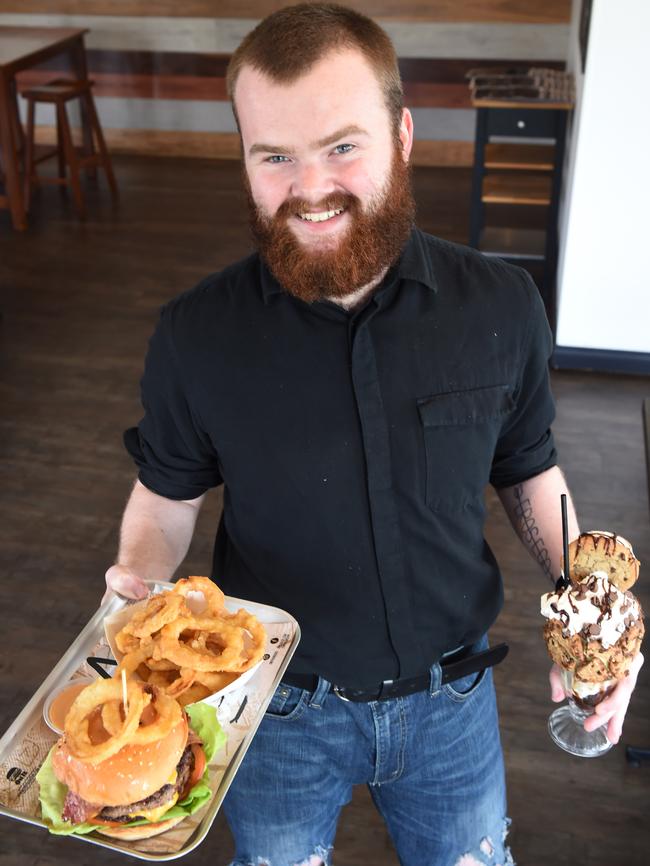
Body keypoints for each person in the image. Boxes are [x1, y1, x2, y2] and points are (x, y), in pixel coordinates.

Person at [104, 5, 642, 865]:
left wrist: (599, 615)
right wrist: (131, 595)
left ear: (402, 135)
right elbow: (167, 495)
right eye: (274, 156)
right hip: (273, 708)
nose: (309, 188)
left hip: (452, 701)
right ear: (244, 159)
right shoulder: (195, 334)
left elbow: (528, 466)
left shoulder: (500, 309)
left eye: (342, 146)